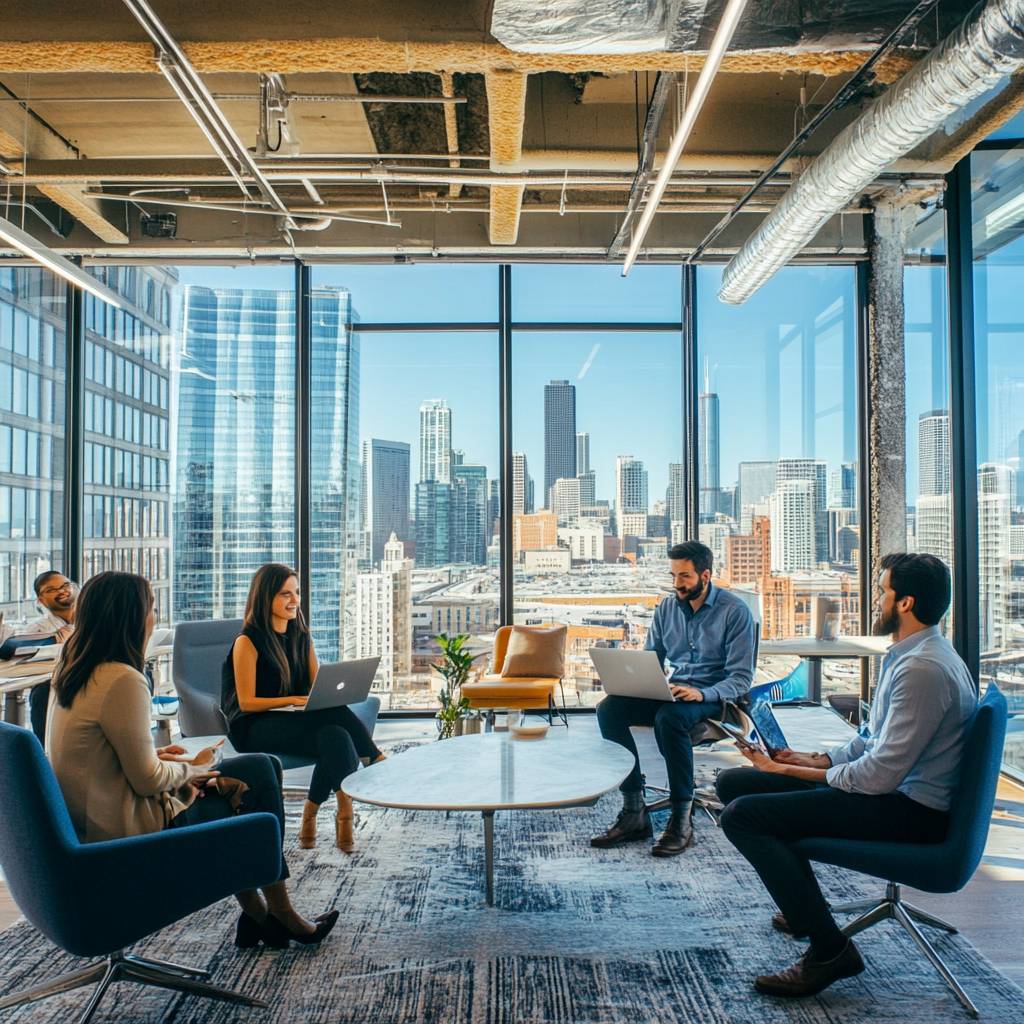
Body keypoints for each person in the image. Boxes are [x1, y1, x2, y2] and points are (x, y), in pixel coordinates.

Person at [715, 552, 977, 999]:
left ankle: (829, 949)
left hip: (909, 811)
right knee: (734, 783)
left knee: (744, 817)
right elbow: (869, 741)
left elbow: (877, 777)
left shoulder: (923, 671)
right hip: (895, 792)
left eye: (882, 591)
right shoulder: (912, 654)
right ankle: (804, 910)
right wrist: (810, 759)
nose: (875, 599)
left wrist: (781, 768)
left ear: (906, 602)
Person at [47, 571, 337, 948]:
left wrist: (155, 755)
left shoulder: (72, 672)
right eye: (151, 608)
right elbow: (149, 782)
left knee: (260, 767)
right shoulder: (122, 680)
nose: (154, 617)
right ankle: (279, 915)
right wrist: (195, 767)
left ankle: (261, 916)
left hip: (95, 818)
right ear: (131, 618)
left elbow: (94, 755)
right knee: (255, 786)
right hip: (128, 831)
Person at [591, 540, 756, 856]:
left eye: (685, 577)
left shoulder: (735, 612)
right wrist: (637, 681)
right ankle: (634, 810)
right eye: (674, 576)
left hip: (715, 697)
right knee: (609, 709)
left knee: (670, 719)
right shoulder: (666, 608)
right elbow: (653, 657)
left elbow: (740, 678)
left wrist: (701, 693)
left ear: (705, 576)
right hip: (675, 691)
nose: (677, 584)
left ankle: (682, 819)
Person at [222, 563, 384, 853]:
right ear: (265, 598)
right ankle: (372, 758)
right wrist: (292, 701)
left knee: (335, 736)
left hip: (293, 722)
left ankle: (311, 812)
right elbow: (246, 702)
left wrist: (311, 698)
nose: (294, 600)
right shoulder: (247, 641)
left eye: (296, 593)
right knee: (334, 723)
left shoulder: (301, 637)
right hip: (252, 726)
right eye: (285, 594)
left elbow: (316, 689)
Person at [0, 570, 77, 744]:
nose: (62, 591)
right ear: (41, 600)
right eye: (52, 589)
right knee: (42, 693)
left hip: (83, 677)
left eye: (65, 585)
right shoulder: (37, 630)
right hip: (52, 683)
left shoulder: (90, 619)